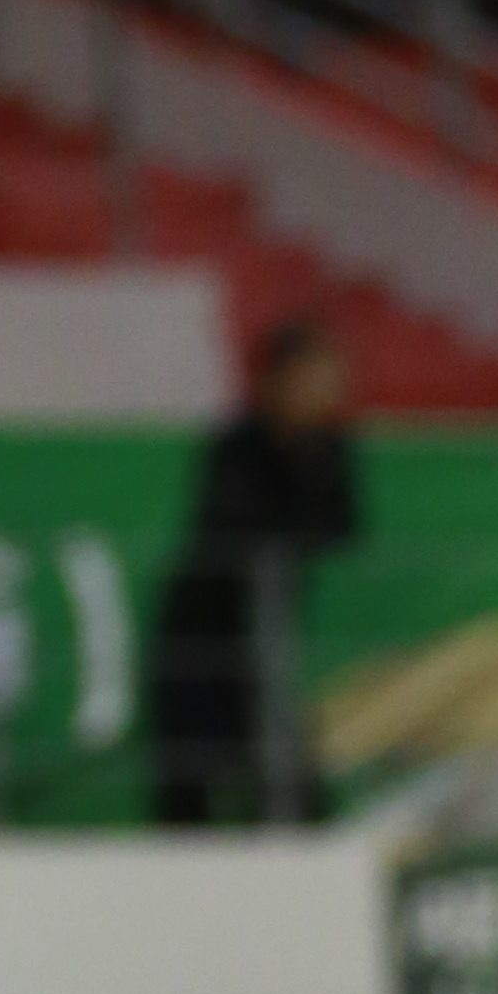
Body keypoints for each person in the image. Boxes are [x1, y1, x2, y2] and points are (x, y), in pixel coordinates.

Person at [147, 320, 361, 828]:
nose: (326, 392)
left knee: (288, 766)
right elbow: (235, 530)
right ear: (279, 380)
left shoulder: (329, 449)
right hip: (205, 633)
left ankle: (299, 853)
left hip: (269, 638)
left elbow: (341, 528)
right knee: (192, 765)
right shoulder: (237, 446)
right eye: (313, 378)